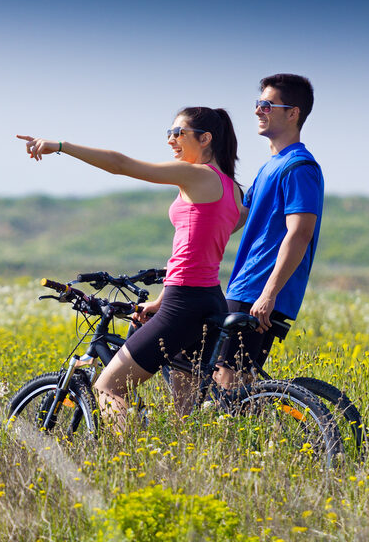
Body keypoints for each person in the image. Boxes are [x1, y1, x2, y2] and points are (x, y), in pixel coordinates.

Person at [18, 107, 241, 430]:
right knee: (185, 416)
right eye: (168, 133)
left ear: (205, 139)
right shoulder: (232, 188)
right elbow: (199, 250)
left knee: (108, 387)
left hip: (185, 303)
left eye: (178, 133)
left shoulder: (197, 175)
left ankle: (129, 457)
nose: (170, 140)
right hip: (208, 298)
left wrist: (61, 146)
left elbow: (121, 164)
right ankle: (179, 460)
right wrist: (161, 299)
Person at [215, 73, 323, 389]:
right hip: (244, 287)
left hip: (258, 292)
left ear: (293, 113)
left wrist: (269, 293)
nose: (258, 111)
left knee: (230, 383)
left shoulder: (299, 167)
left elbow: (299, 233)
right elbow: (237, 218)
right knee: (226, 382)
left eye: (267, 105)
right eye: (258, 104)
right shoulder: (270, 167)